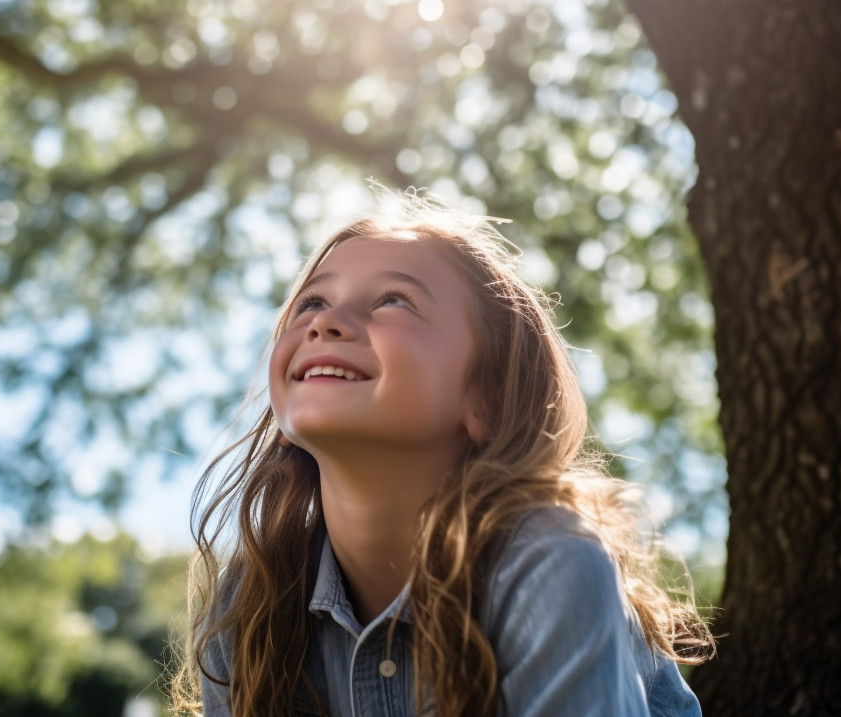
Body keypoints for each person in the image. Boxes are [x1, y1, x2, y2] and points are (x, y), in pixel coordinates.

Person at [172, 188, 714, 716]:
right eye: (312, 302)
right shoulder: (251, 601)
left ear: (487, 397)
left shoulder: (548, 563)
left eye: (392, 301)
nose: (324, 323)